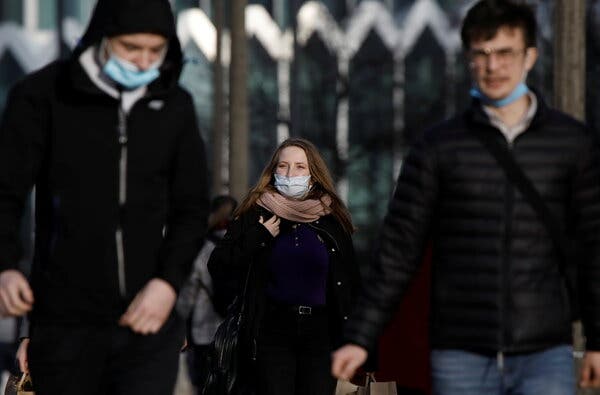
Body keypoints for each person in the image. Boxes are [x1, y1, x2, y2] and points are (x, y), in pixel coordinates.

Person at [332, 1, 600, 394]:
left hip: (544, 347)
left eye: (505, 52)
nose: (493, 66)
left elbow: (594, 245)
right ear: (468, 59)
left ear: (530, 56)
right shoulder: (439, 147)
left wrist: (597, 340)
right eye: (482, 54)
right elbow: (398, 250)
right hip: (460, 350)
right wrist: (360, 336)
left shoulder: (570, 144)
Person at [0, 0, 209, 393]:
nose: (144, 61)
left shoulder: (175, 107)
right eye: (132, 48)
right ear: (103, 39)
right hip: (65, 324)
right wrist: (6, 265)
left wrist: (167, 283)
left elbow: (192, 208)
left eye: (155, 50)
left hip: (148, 320)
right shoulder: (43, 96)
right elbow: (6, 191)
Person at [208, 138, 360, 394]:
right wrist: (258, 235)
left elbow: (351, 282)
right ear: (272, 171)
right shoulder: (254, 213)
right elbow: (219, 264)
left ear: (313, 173)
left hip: (321, 333)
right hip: (270, 331)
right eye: (283, 166)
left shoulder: (332, 219)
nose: (291, 174)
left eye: (300, 167)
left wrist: (360, 340)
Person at [177, 195, 238, 393]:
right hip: (235, 331)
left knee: (203, 385)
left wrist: (179, 325)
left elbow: (188, 291)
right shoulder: (245, 243)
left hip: (203, 331)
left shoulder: (203, 246)